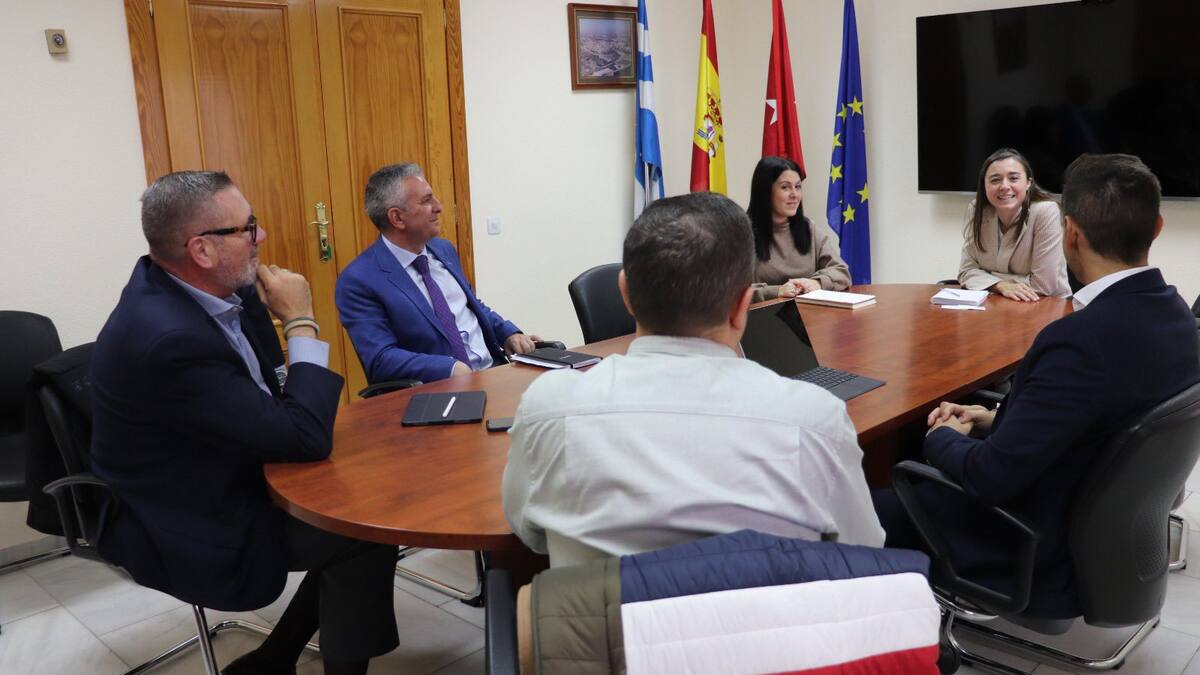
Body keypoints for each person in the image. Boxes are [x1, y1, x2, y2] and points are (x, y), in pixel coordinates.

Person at [91, 171, 398, 675]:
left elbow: (279, 394)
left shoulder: (212, 289)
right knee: (364, 530)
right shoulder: (169, 340)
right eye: (247, 227)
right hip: (187, 513)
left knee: (365, 496)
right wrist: (301, 320)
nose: (261, 238)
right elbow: (302, 435)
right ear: (202, 251)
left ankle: (273, 660)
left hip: (231, 461)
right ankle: (288, 661)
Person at [874, 154, 1200, 618]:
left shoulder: (1078, 342)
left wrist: (939, 438)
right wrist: (993, 418)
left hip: (1031, 547)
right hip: (1098, 532)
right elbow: (1093, 418)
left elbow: (990, 477)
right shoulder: (1178, 317)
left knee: (873, 495)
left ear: (1070, 233)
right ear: (1158, 227)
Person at [502, 192, 884, 568]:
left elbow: (529, 535)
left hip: (607, 627)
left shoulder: (547, 411)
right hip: (767, 627)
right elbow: (861, 553)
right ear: (742, 306)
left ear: (625, 294)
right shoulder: (817, 420)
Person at [336, 163, 539, 385]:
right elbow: (380, 359)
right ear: (397, 218)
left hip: (495, 374)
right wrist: (449, 368)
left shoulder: (443, 249)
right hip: (438, 392)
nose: (439, 207)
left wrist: (510, 334)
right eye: (426, 200)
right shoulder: (358, 280)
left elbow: (472, 307)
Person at [957, 148, 1071, 300]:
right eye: (995, 180)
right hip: (997, 302)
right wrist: (1000, 286)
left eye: (1013, 178)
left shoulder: (1045, 211)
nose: (1004, 186)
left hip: (1046, 305)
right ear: (984, 185)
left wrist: (988, 279)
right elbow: (965, 271)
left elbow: (1043, 286)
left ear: (1028, 183)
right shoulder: (977, 209)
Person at [746, 156, 851, 301]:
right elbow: (731, 292)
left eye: (797, 186)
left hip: (811, 316)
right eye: (785, 187)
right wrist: (776, 291)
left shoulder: (809, 228)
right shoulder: (742, 233)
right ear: (765, 191)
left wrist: (817, 282)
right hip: (762, 319)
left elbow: (842, 272)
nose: (795, 195)